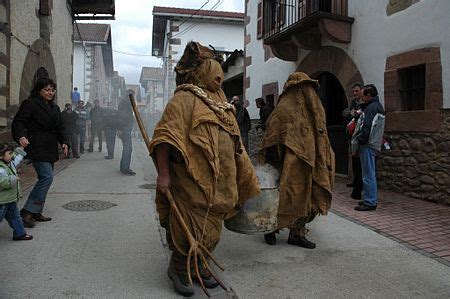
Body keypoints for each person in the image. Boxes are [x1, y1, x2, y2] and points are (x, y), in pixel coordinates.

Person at [149, 41, 259, 297]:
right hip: (190, 182)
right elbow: (164, 138)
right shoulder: (184, 100)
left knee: (211, 229)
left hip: (220, 184)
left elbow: (237, 144)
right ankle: (178, 268)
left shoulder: (222, 104)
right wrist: (164, 175)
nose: (218, 74)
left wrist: (244, 176)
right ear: (201, 71)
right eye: (212, 68)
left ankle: (201, 264)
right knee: (188, 228)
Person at [260, 72, 335, 249]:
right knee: (281, 197)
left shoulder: (314, 109)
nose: (309, 93)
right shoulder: (284, 108)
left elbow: (320, 134)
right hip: (284, 166)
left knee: (307, 198)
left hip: (308, 165)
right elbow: (272, 135)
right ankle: (270, 229)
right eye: (306, 88)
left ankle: (297, 233)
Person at [12, 77, 69, 228]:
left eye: (52, 90)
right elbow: (18, 122)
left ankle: (36, 210)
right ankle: (27, 211)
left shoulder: (55, 108)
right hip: (36, 145)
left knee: (46, 178)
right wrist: (21, 136)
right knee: (47, 177)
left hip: (49, 148)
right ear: (39, 90)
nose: (51, 92)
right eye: (47, 89)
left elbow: (60, 128)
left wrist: (65, 141)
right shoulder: (30, 104)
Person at [353, 84, 385, 211]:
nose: (361, 99)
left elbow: (367, 126)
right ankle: (368, 198)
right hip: (373, 143)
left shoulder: (371, 108)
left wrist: (361, 141)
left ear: (369, 95)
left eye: (363, 96)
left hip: (368, 144)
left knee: (368, 174)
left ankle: (370, 201)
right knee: (369, 173)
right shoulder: (377, 106)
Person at [0, 144, 33, 241]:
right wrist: (13, 179)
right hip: (2, 202)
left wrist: (21, 148)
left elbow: (17, 158)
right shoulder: (1, 168)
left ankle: (20, 234)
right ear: (1, 156)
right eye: (9, 153)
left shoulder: (9, 163)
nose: (11, 155)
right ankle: (20, 233)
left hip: (10, 199)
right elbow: (1, 182)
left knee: (15, 217)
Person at [342, 82, 364, 199]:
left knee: (361, 164)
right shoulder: (353, 103)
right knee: (355, 162)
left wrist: (355, 114)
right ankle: (356, 182)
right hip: (352, 136)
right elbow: (346, 112)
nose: (354, 93)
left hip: (360, 138)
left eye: (356, 91)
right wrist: (351, 113)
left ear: (362, 91)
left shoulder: (365, 103)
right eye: (353, 91)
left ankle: (359, 186)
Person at [117, 93, 135, 175]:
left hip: (126, 128)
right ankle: (125, 168)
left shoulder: (126, 103)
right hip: (124, 129)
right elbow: (121, 117)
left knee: (127, 149)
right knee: (128, 149)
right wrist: (120, 129)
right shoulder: (124, 104)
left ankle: (123, 167)